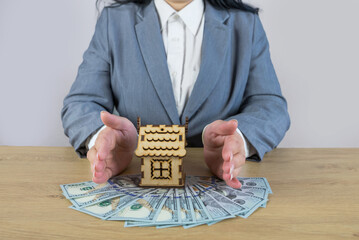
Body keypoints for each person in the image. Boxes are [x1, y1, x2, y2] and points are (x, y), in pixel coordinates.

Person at [61, 0, 290, 189]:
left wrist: (238, 139)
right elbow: (80, 102)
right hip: (140, 177)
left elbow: (270, 105)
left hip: (218, 187)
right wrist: (104, 138)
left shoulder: (246, 24)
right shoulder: (114, 21)